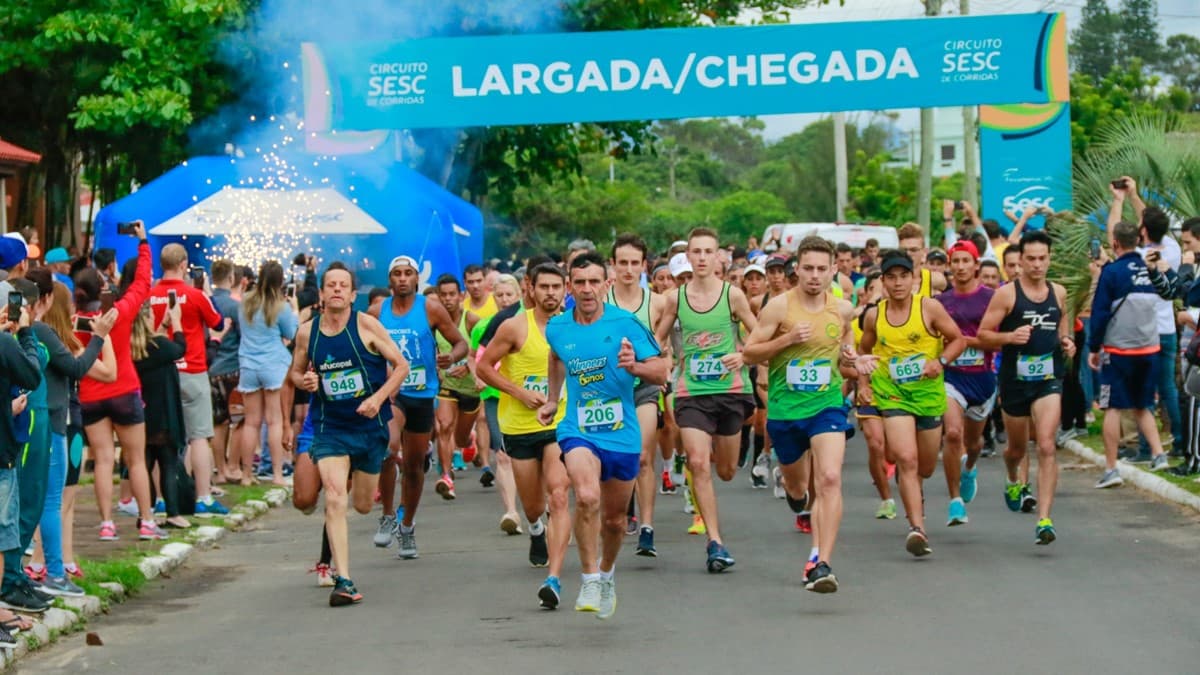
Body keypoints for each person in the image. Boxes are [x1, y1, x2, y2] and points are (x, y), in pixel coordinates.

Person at [540, 252, 668, 618]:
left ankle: (607, 572)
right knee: (585, 494)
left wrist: (635, 366)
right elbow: (556, 357)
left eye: (594, 282)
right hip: (577, 427)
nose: (586, 289)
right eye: (579, 282)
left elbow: (661, 371)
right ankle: (589, 577)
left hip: (621, 433)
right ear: (569, 287)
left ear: (606, 284)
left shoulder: (626, 323)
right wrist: (553, 399)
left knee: (613, 521)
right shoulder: (558, 328)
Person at [290, 262, 409, 607]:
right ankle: (343, 579)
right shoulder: (306, 333)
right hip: (331, 428)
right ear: (323, 293)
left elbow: (401, 366)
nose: (338, 290)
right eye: (332, 285)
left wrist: (378, 397)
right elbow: (296, 373)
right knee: (334, 497)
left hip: (370, 428)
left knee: (360, 504)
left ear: (353, 294)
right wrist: (305, 381)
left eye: (344, 285)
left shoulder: (367, 325)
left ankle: (373, 480)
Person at [744, 236, 856, 593]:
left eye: (822, 269)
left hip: (826, 407)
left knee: (828, 478)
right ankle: (793, 491)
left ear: (833, 271)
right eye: (808, 268)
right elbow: (750, 353)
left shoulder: (842, 310)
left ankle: (820, 561)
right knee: (799, 489)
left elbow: (845, 354)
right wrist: (787, 339)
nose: (814, 275)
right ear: (797, 269)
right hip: (785, 411)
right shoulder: (778, 308)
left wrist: (857, 363)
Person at [654, 227, 758, 572]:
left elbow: (758, 336)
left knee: (725, 471)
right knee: (698, 462)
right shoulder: (676, 299)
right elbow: (657, 340)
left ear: (718, 258)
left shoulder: (734, 296)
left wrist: (743, 355)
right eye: (695, 252)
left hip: (730, 392)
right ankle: (715, 542)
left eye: (707, 252)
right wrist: (655, 357)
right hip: (691, 392)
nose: (701, 258)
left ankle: (720, 461)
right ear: (688, 258)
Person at [857, 250, 965, 557]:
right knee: (906, 459)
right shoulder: (875, 315)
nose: (898, 283)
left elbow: (958, 340)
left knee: (926, 467)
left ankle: (917, 500)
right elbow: (863, 352)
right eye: (891, 278)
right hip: (892, 393)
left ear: (913, 278)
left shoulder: (929, 308)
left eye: (903, 276)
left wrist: (940, 361)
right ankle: (917, 528)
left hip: (928, 397)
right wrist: (863, 384)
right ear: (883, 281)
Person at [477, 263, 571, 608]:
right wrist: (518, 392)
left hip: (560, 426)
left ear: (566, 289)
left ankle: (554, 576)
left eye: (556, 287)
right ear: (530, 288)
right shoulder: (515, 327)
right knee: (533, 505)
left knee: (559, 494)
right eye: (544, 286)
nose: (550, 293)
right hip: (519, 427)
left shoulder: (574, 326)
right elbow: (483, 368)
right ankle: (535, 530)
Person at [978, 231, 1075, 544]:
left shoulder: (1058, 292)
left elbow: (1064, 324)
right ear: (1019, 262)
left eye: (1042, 258)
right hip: (1015, 380)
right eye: (1030, 259)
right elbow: (983, 334)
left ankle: (1044, 519)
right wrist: (1009, 338)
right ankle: (1012, 478)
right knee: (1016, 450)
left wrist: (1067, 340)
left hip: (1049, 377)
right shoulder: (1007, 295)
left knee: (1046, 444)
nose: (1036, 265)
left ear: (1049, 259)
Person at [22, 271, 114, 598]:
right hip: (53, 422)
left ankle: (31, 572)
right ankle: (55, 573)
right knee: (51, 502)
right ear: (44, 300)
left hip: (36, 421)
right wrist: (101, 337)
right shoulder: (42, 331)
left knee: (35, 502)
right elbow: (77, 369)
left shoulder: (24, 332)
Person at [75, 221, 164, 541]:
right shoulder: (120, 313)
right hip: (125, 388)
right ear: (103, 291)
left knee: (101, 459)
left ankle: (106, 524)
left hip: (90, 394)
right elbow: (142, 282)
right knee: (136, 459)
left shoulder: (75, 323)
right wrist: (142, 242)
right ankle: (146, 521)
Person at [374, 255, 467, 558]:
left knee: (414, 467)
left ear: (416, 279)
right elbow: (364, 345)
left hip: (423, 394)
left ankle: (408, 526)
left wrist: (450, 358)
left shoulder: (431, 308)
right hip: (392, 393)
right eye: (397, 274)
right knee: (388, 448)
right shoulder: (377, 312)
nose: (402, 278)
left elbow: (460, 343)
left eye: (408, 274)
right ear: (390, 280)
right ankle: (388, 514)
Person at [1091, 221, 1176, 487]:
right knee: (1143, 404)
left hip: (1119, 350)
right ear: (1138, 240)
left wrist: (1094, 347)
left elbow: (1101, 312)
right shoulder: (1148, 268)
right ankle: (1159, 454)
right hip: (1149, 347)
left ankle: (1111, 468)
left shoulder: (1112, 272)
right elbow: (1167, 293)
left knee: (1113, 407)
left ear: (1115, 243)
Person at [148, 244, 228, 516]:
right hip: (192, 370)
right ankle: (203, 498)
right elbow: (217, 323)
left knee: (160, 438)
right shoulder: (195, 295)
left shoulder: (150, 295)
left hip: (160, 373)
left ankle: (160, 499)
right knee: (199, 436)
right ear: (183, 265)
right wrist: (205, 293)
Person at [605, 234, 667, 557]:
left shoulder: (657, 303)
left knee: (643, 455)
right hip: (608, 389)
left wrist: (663, 365)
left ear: (644, 266)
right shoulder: (600, 301)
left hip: (643, 386)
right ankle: (620, 507)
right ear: (612, 265)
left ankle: (647, 527)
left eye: (634, 263)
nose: (628, 270)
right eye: (622, 263)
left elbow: (667, 344)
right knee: (618, 456)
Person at [934, 241, 996, 527]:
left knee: (973, 443)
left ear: (975, 265)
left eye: (965, 261)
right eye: (955, 261)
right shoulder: (942, 302)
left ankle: (970, 467)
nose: (960, 266)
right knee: (953, 434)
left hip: (982, 379)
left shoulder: (991, 298)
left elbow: (998, 338)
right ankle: (955, 501)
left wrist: (969, 342)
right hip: (952, 377)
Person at [0, 296, 43, 638]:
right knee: (1, 536)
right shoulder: (4, 342)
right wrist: (26, 332)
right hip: (2, 454)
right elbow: (32, 372)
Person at [237, 261, 299, 487]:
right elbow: (291, 334)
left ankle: (246, 475)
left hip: (248, 364)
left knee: (251, 422)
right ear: (281, 281)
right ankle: (277, 475)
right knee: (274, 422)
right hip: (274, 365)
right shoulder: (281, 307)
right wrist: (295, 312)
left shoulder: (245, 301)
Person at [132, 298, 192, 529]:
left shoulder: (134, 346)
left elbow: (156, 344)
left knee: (143, 464)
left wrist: (162, 328)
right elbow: (179, 348)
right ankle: (173, 512)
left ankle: (144, 513)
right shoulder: (159, 346)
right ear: (147, 319)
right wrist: (175, 322)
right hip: (164, 415)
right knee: (167, 463)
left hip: (142, 414)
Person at [471, 273, 523, 531]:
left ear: (519, 296)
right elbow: (475, 358)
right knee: (503, 455)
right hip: (494, 396)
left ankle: (545, 510)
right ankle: (511, 512)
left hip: (525, 397)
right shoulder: (485, 326)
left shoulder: (529, 323)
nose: (504, 300)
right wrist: (478, 376)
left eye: (509, 295)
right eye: (500, 295)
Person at [433, 274, 483, 484]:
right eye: (443, 295)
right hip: (447, 385)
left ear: (461, 295)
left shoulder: (471, 320)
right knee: (443, 426)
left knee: (460, 438)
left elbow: (486, 350)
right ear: (437, 296)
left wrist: (467, 366)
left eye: (452, 294)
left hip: (471, 389)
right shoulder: (434, 322)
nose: (447, 299)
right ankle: (447, 476)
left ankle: (469, 440)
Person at [207, 259, 243, 485]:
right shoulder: (235, 306)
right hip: (234, 369)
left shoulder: (207, 302)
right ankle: (233, 467)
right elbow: (244, 337)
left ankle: (219, 470)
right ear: (231, 278)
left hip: (211, 368)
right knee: (238, 420)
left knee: (218, 423)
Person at [896, 222, 947, 297]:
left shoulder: (934, 279)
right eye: (904, 250)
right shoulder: (888, 280)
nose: (908, 254)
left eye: (913, 250)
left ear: (924, 252)